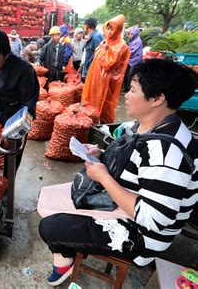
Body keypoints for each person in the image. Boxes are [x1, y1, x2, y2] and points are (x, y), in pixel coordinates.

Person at [39, 59, 198, 286]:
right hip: (127, 203)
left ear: (157, 99)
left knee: (50, 227)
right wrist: (101, 153)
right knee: (56, 198)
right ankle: (70, 246)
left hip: (143, 235)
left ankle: (66, 255)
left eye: (132, 90)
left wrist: (103, 176)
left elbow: (154, 219)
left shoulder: (166, 152)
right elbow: (133, 159)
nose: (126, 95)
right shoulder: (151, 124)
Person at [0, 30, 39, 175]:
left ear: (6, 55)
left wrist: (18, 127)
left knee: (11, 160)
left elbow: (29, 103)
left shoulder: (24, 70)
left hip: (14, 118)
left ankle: (7, 190)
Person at [82, 15, 130, 123]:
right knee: (92, 103)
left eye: (111, 28)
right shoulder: (105, 42)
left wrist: (103, 50)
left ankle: (104, 127)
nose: (108, 31)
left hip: (107, 82)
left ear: (118, 30)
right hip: (96, 78)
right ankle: (93, 122)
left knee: (105, 104)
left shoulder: (121, 45)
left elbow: (108, 63)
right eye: (107, 28)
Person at [80, 17, 104, 82]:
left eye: (84, 25)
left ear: (87, 26)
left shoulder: (95, 37)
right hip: (90, 69)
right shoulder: (94, 36)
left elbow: (99, 56)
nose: (83, 27)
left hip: (93, 71)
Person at [123, 27, 143, 92]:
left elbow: (132, 51)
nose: (130, 35)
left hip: (134, 61)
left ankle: (129, 89)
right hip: (130, 60)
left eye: (131, 34)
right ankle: (126, 88)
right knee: (127, 74)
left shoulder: (137, 41)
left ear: (135, 34)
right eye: (129, 34)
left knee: (129, 75)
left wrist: (124, 53)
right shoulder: (133, 40)